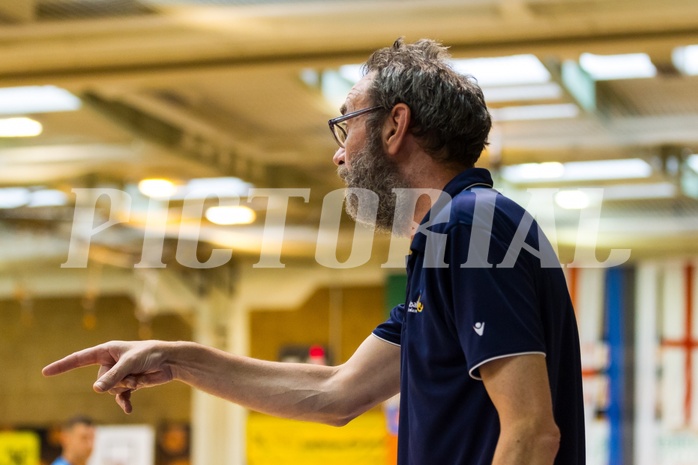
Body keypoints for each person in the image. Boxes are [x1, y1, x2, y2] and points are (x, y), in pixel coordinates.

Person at [43, 38, 585, 465]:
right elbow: (337, 392)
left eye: (346, 125)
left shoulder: (470, 224)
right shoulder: (447, 239)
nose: (337, 154)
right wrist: (178, 359)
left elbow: (532, 432)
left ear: (396, 125)